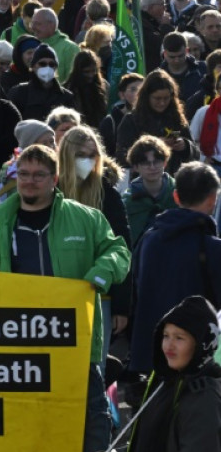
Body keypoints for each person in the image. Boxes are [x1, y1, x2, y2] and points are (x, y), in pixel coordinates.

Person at [0, 144, 130, 452]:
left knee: (92, 427)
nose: (30, 182)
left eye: (39, 175)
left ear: (55, 178)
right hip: (19, 354)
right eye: (24, 175)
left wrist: (100, 274)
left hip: (76, 349)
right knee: (30, 435)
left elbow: (119, 253)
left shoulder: (86, 219)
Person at [85, 296, 221, 452]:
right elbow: (147, 445)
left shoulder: (203, 396)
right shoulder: (164, 383)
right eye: (166, 336)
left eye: (179, 338)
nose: (169, 345)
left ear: (201, 345)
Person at [129, 162, 221, 376]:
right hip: (195, 357)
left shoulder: (150, 238)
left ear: (176, 196)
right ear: (212, 200)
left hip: (150, 354)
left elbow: (136, 286)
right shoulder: (212, 247)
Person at [57, 126, 131, 356]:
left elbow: (122, 249)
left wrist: (121, 306)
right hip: (56, 292)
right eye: (81, 156)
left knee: (94, 365)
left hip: (100, 295)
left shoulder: (107, 195)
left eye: (92, 155)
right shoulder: (51, 193)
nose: (87, 161)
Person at [115, 69, 200, 173]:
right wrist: (152, 147)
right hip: (143, 181)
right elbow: (121, 156)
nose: (162, 103)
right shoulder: (132, 120)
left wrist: (185, 146)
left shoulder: (177, 118)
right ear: (146, 96)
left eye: (166, 98)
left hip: (174, 179)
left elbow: (196, 153)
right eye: (157, 98)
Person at [123, 135, 177, 246]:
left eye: (157, 161)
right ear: (136, 167)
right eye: (145, 163)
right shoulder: (127, 201)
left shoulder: (180, 195)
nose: (152, 167)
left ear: (165, 163)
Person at [7, 44, 75, 122]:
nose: (47, 67)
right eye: (42, 64)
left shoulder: (66, 97)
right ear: (33, 66)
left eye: (51, 64)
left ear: (55, 67)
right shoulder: (18, 93)